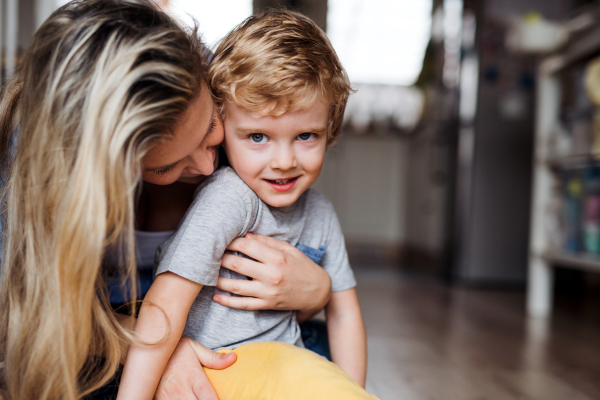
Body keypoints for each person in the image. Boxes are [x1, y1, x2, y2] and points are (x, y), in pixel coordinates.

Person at [0, 2, 332, 400]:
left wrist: (318, 292)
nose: (210, 166)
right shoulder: (28, 166)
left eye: (210, 125)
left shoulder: (233, 88)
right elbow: (28, 321)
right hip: (94, 334)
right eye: (168, 165)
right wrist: (153, 346)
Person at [117, 10, 369, 400]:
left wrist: (352, 387)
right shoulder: (228, 197)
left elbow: (345, 312)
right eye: (257, 137)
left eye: (305, 135)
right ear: (223, 121)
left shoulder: (321, 213)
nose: (284, 160)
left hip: (284, 365)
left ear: (329, 130)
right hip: (213, 373)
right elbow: (163, 305)